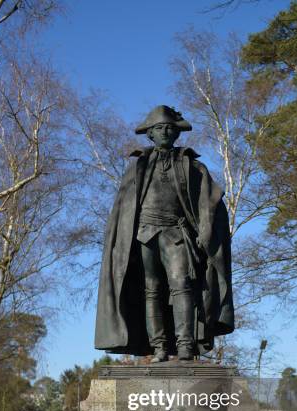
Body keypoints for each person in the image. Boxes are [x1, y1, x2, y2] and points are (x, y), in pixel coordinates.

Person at [95, 105, 234, 362]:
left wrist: (204, 230)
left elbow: (209, 203)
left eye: (170, 127)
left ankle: (184, 345)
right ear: (150, 134)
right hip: (144, 234)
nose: (165, 132)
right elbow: (123, 211)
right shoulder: (138, 166)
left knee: (181, 286)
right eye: (159, 128)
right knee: (152, 290)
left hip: (176, 232)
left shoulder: (191, 166)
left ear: (177, 133)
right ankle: (158, 346)